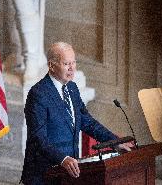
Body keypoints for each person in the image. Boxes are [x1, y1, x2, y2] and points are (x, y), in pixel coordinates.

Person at [21, 42, 132, 185]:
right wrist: (62, 158)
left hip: (69, 173)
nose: (72, 68)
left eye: (74, 62)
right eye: (66, 63)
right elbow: (38, 138)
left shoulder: (72, 88)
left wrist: (114, 142)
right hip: (44, 174)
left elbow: (88, 122)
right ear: (51, 66)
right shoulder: (38, 94)